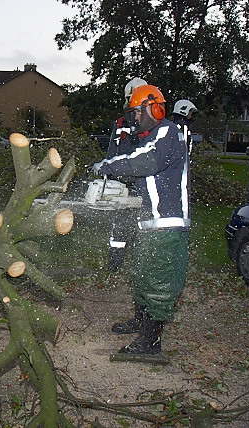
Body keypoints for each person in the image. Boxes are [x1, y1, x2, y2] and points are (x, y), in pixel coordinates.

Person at [92, 84, 190, 355]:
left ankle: (151, 340)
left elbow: (146, 161)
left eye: (137, 112)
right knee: (142, 275)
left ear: (153, 107)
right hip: (149, 222)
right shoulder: (151, 136)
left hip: (167, 223)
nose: (134, 118)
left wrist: (108, 166)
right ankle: (140, 321)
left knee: (159, 282)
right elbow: (139, 169)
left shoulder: (169, 132)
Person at [104, 77, 147, 271]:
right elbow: (112, 151)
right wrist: (108, 170)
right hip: (121, 181)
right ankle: (115, 262)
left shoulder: (150, 123)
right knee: (119, 225)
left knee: (141, 224)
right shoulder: (121, 122)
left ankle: (140, 263)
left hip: (142, 181)